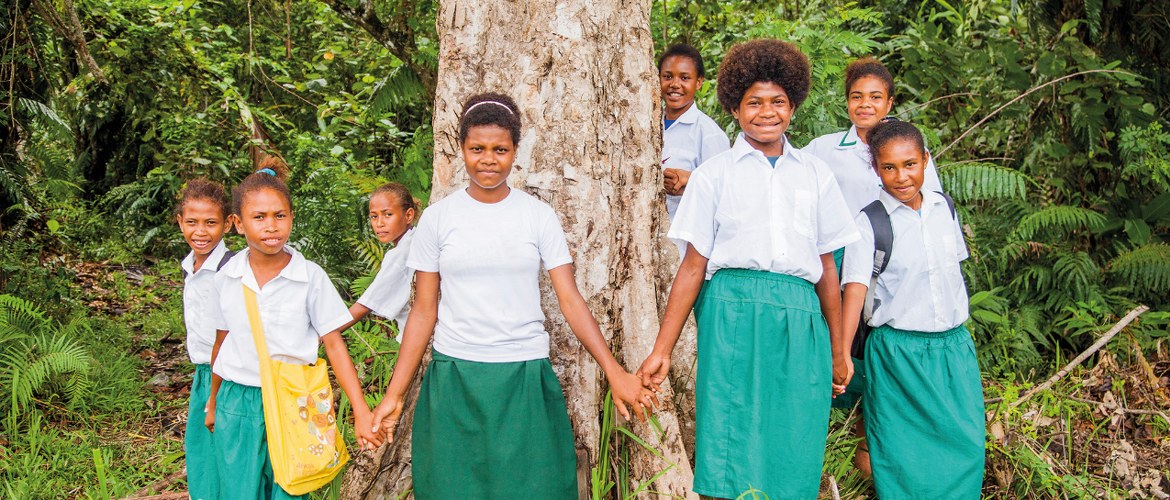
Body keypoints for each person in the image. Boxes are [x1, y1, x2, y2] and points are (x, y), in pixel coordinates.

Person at [368, 93, 655, 499]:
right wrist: (395, 396)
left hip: (524, 374)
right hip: (456, 376)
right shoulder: (438, 219)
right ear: (462, 151)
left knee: (535, 487)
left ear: (515, 152)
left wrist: (614, 370)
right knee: (453, 488)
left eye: (500, 149)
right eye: (477, 149)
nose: (488, 159)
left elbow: (569, 299)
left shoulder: (536, 215)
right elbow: (423, 310)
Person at [637, 39, 859, 499]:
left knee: (796, 431)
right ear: (734, 110)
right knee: (731, 433)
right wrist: (663, 347)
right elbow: (693, 267)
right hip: (731, 310)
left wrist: (839, 350)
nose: (766, 112)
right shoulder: (715, 174)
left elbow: (827, 270)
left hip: (800, 315)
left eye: (778, 101)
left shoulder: (816, 174)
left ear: (793, 106)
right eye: (753, 102)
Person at [203, 165, 383, 499]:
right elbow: (221, 341)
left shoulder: (310, 277)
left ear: (291, 217)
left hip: (295, 401)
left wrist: (361, 410)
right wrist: (212, 400)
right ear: (239, 224)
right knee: (237, 490)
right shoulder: (225, 278)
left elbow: (334, 343)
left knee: (290, 489)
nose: (271, 226)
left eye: (279, 215)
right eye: (258, 217)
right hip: (237, 401)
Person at [804, 57, 947, 474]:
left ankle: (871, 447)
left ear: (890, 102)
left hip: (890, 269)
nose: (865, 105)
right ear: (846, 102)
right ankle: (825, 448)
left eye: (875, 97)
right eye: (856, 97)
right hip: (838, 263)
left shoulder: (907, 149)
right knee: (834, 347)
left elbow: (927, 207)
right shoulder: (825, 149)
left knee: (876, 354)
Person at [839, 119, 984, 499]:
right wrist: (842, 354)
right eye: (889, 167)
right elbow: (854, 292)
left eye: (909, 165)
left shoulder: (944, 209)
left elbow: (951, 273)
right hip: (898, 351)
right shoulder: (871, 222)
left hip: (953, 348)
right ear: (876, 169)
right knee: (902, 449)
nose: (901, 176)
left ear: (925, 160)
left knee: (965, 442)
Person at [175, 179, 233, 500]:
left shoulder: (230, 269)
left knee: (224, 454)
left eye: (211, 223)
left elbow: (228, 335)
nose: (201, 231)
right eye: (192, 222)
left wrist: (214, 394)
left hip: (225, 375)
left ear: (227, 223)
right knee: (201, 452)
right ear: (180, 222)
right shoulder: (191, 266)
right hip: (203, 373)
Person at [659, 43, 730, 232]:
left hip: (684, 238)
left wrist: (690, 179)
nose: (675, 84)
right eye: (667, 76)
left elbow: (724, 189)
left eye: (684, 78)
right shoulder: (645, 124)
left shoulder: (708, 133)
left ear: (698, 83)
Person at [338, 182, 418, 342]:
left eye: (388, 214)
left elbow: (365, 305)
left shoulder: (401, 253)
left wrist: (326, 333)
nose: (379, 223)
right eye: (374, 216)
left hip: (416, 341)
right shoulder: (415, 240)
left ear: (408, 215)